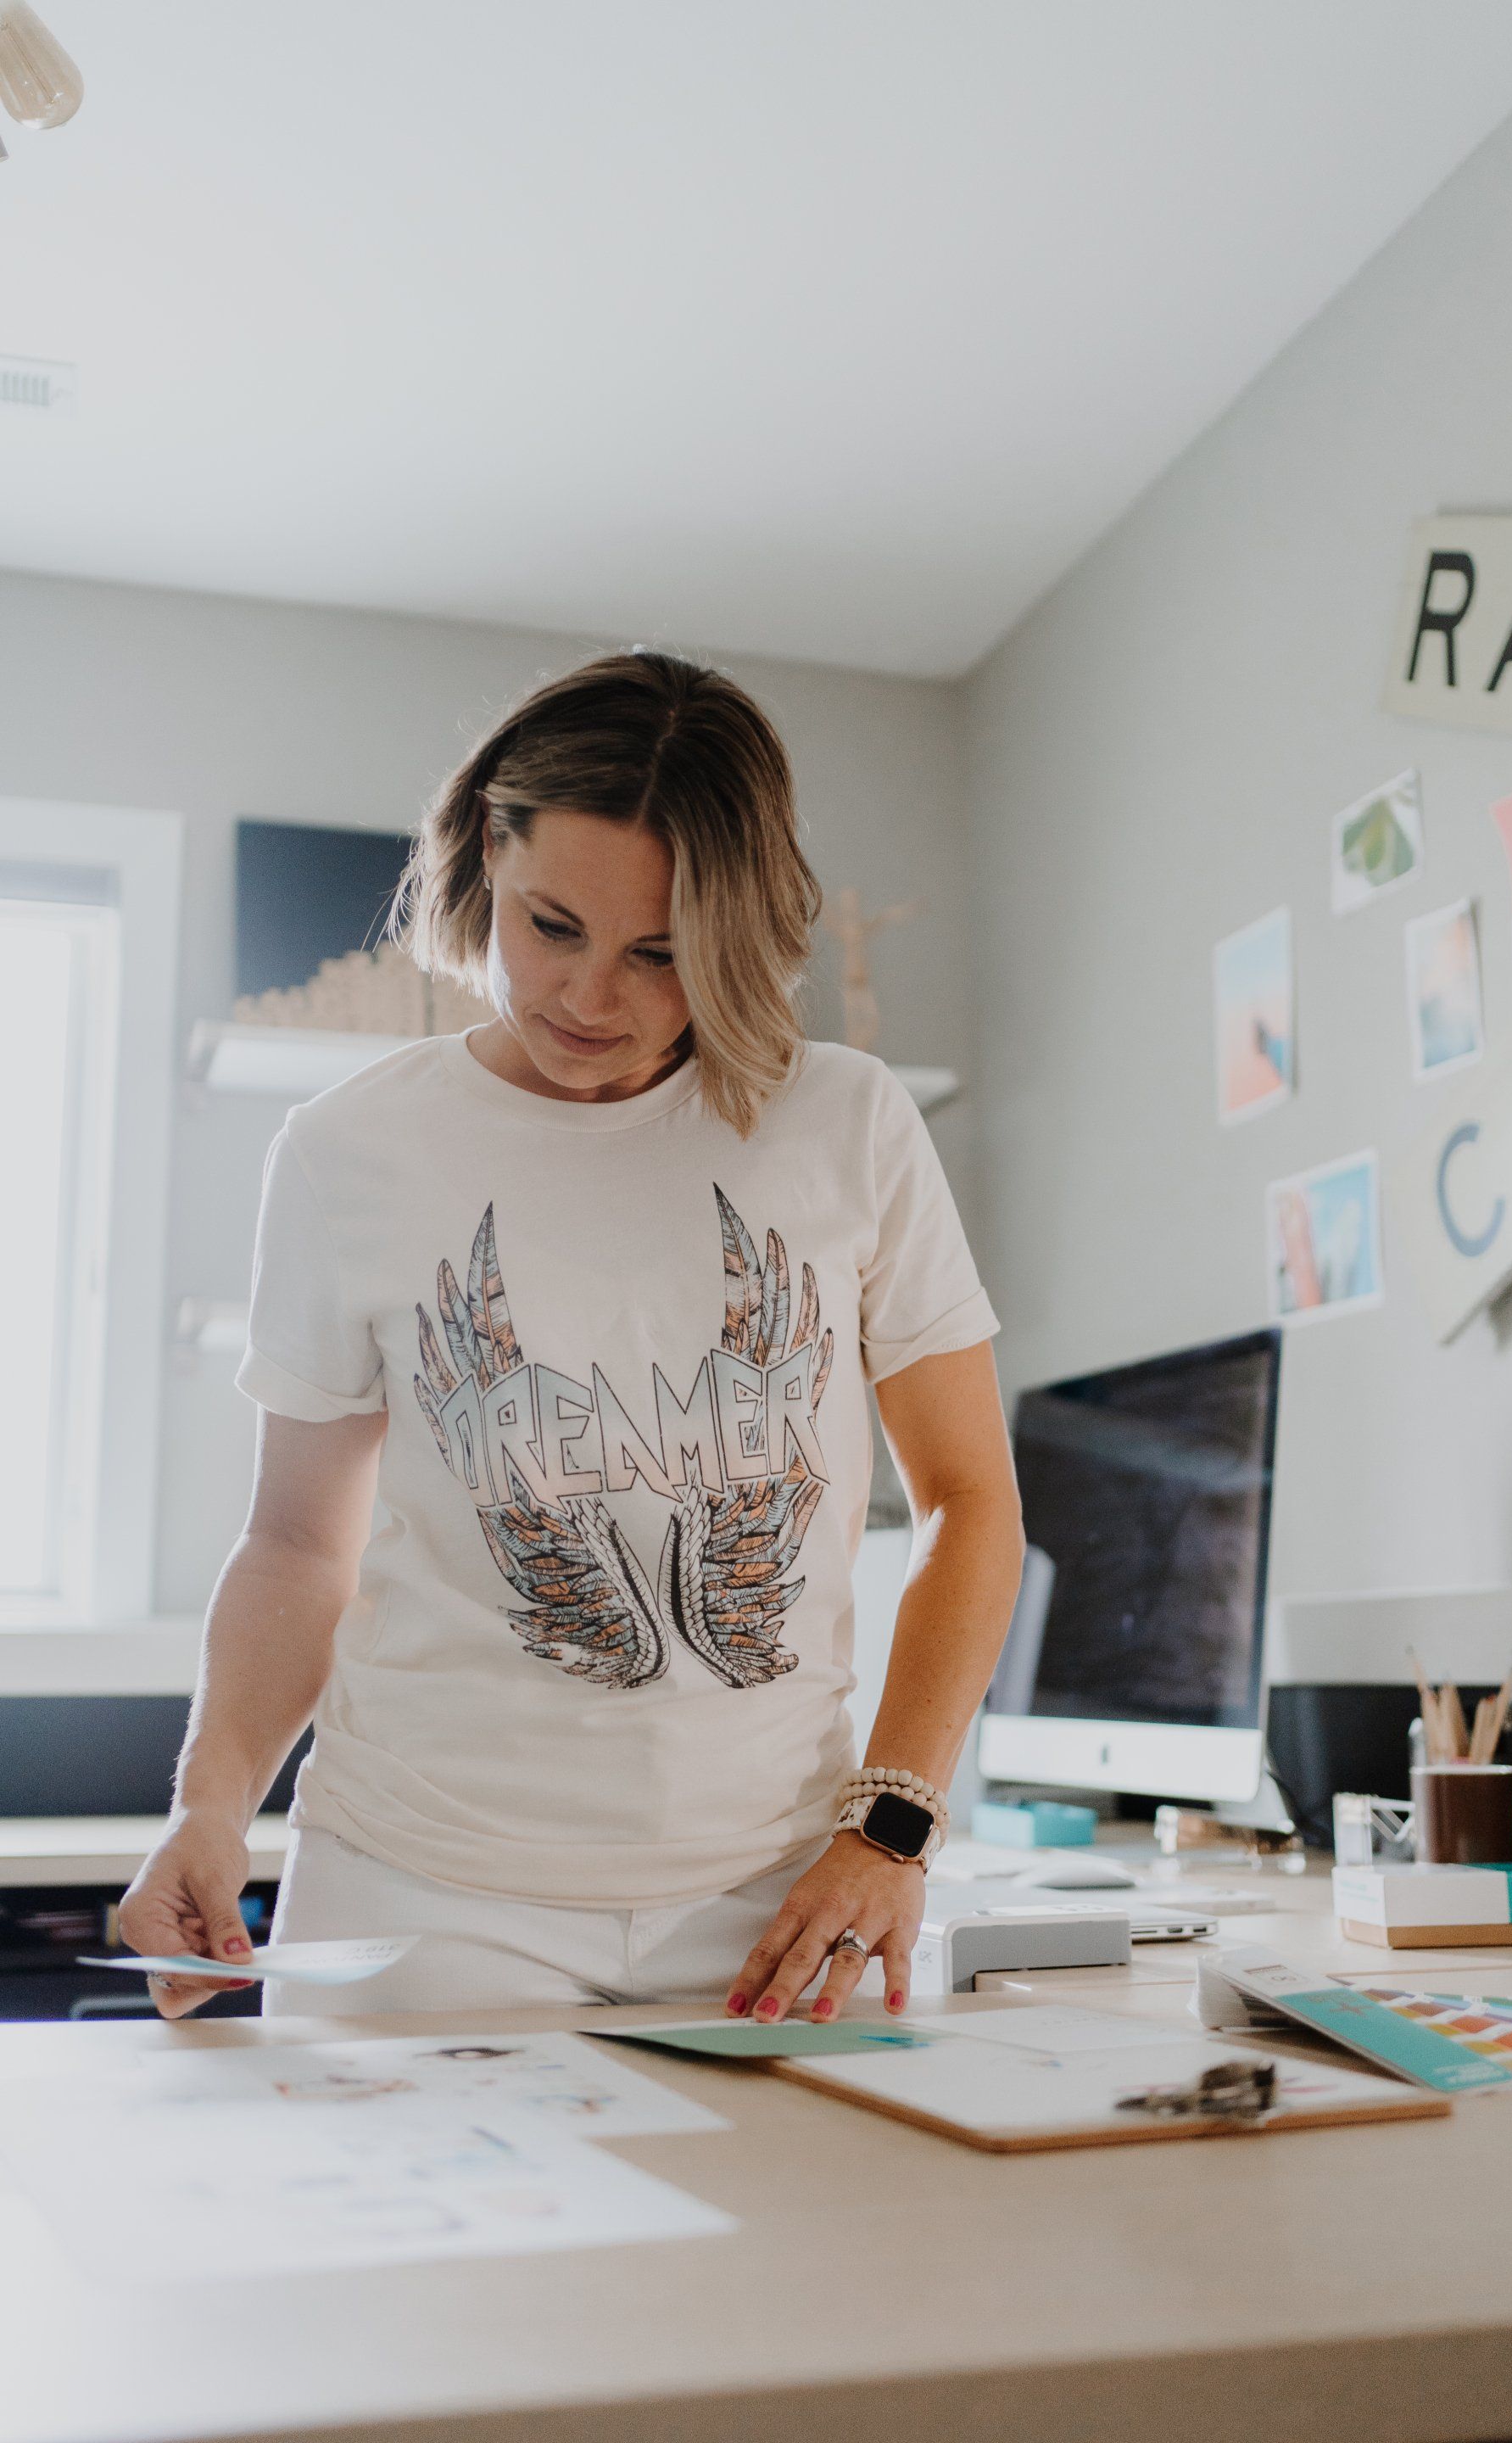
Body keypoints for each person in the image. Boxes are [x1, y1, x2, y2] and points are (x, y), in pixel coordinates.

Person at [120, 651, 1024, 2024]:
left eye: (659, 955)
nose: (589, 1000)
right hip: (420, 1891)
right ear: (488, 856)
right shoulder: (347, 1152)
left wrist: (891, 1827)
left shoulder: (845, 1125)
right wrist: (209, 1804)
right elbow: (303, 1541)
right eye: (550, 927)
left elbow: (970, 1504)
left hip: (779, 1899)